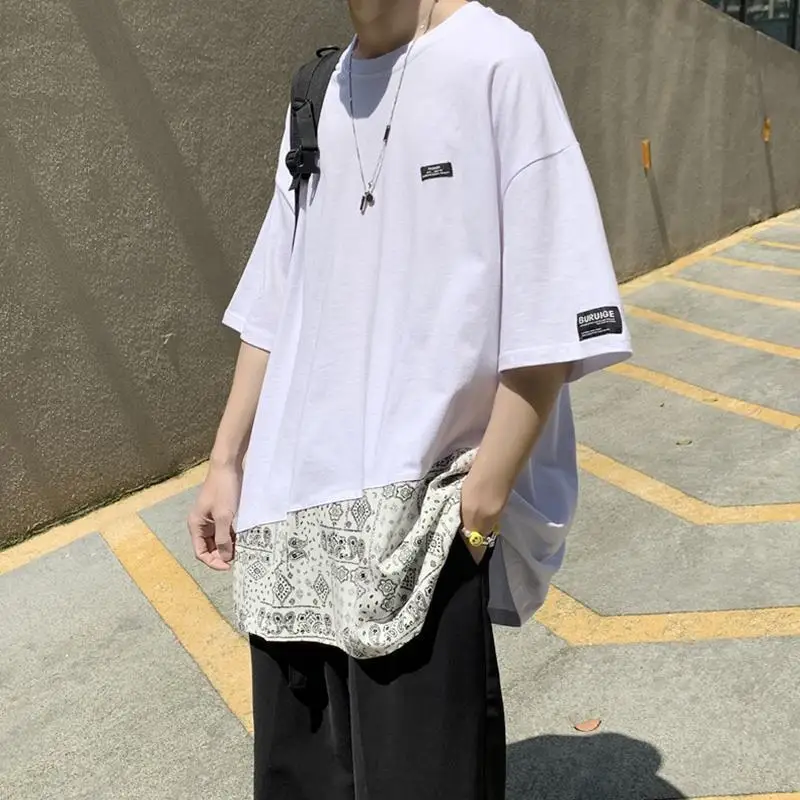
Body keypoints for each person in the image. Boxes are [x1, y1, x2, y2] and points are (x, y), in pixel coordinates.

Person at [188, 1, 631, 798]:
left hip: (422, 535)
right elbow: (276, 295)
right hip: (291, 541)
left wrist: (481, 504)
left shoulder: (496, 61)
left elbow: (555, 299)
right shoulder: (319, 92)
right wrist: (227, 460)